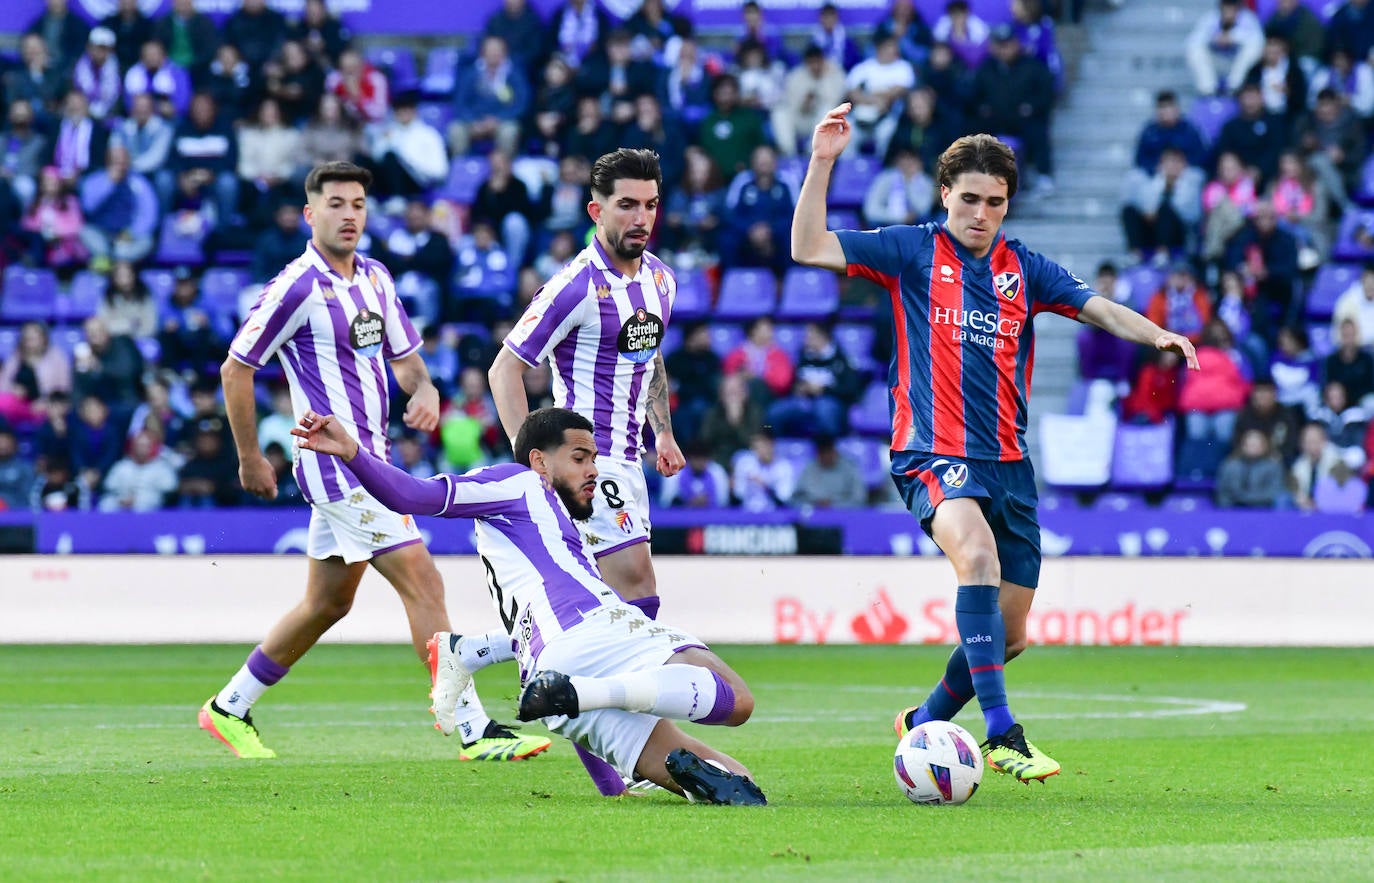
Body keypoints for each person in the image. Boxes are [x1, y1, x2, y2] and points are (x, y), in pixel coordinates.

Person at [791, 105, 1200, 782]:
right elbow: (809, 247)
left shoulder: (1024, 267)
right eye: (970, 198)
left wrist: (1154, 333)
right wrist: (823, 162)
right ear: (945, 193)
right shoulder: (910, 250)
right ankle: (1002, 732)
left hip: (1011, 465)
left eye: (996, 202)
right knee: (975, 557)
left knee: (1010, 636)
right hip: (931, 452)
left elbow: (1097, 307)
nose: (982, 213)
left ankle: (923, 720)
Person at [198, 161, 547, 763]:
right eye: (335, 203)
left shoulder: (377, 279)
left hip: (371, 460)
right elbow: (237, 368)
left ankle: (229, 706)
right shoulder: (295, 287)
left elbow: (407, 360)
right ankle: (469, 728)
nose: (349, 214)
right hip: (333, 465)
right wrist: (250, 455)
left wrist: (426, 392)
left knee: (328, 603)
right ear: (310, 215)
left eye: (358, 203)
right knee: (424, 579)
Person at [295, 406, 765, 804]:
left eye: (594, 459)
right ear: (539, 461)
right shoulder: (516, 483)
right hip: (593, 629)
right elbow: (410, 495)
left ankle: (551, 684)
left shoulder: (539, 522)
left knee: (740, 783)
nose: (593, 470)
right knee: (737, 699)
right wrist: (352, 451)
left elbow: (567, 697)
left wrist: (610, 788)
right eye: (580, 458)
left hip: (550, 669)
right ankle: (577, 690)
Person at [488, 148, 683, 795]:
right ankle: (622, 759)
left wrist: (665, 432)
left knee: (611, 608)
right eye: (627, 204)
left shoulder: (660, 280)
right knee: (636, 592)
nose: (641, 216)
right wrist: (534, 465)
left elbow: (651, 361)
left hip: (629, 465)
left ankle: (485, 655)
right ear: (597, 209)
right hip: (585, 466)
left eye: (650, 204)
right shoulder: (576, 283)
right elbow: (506, 367)